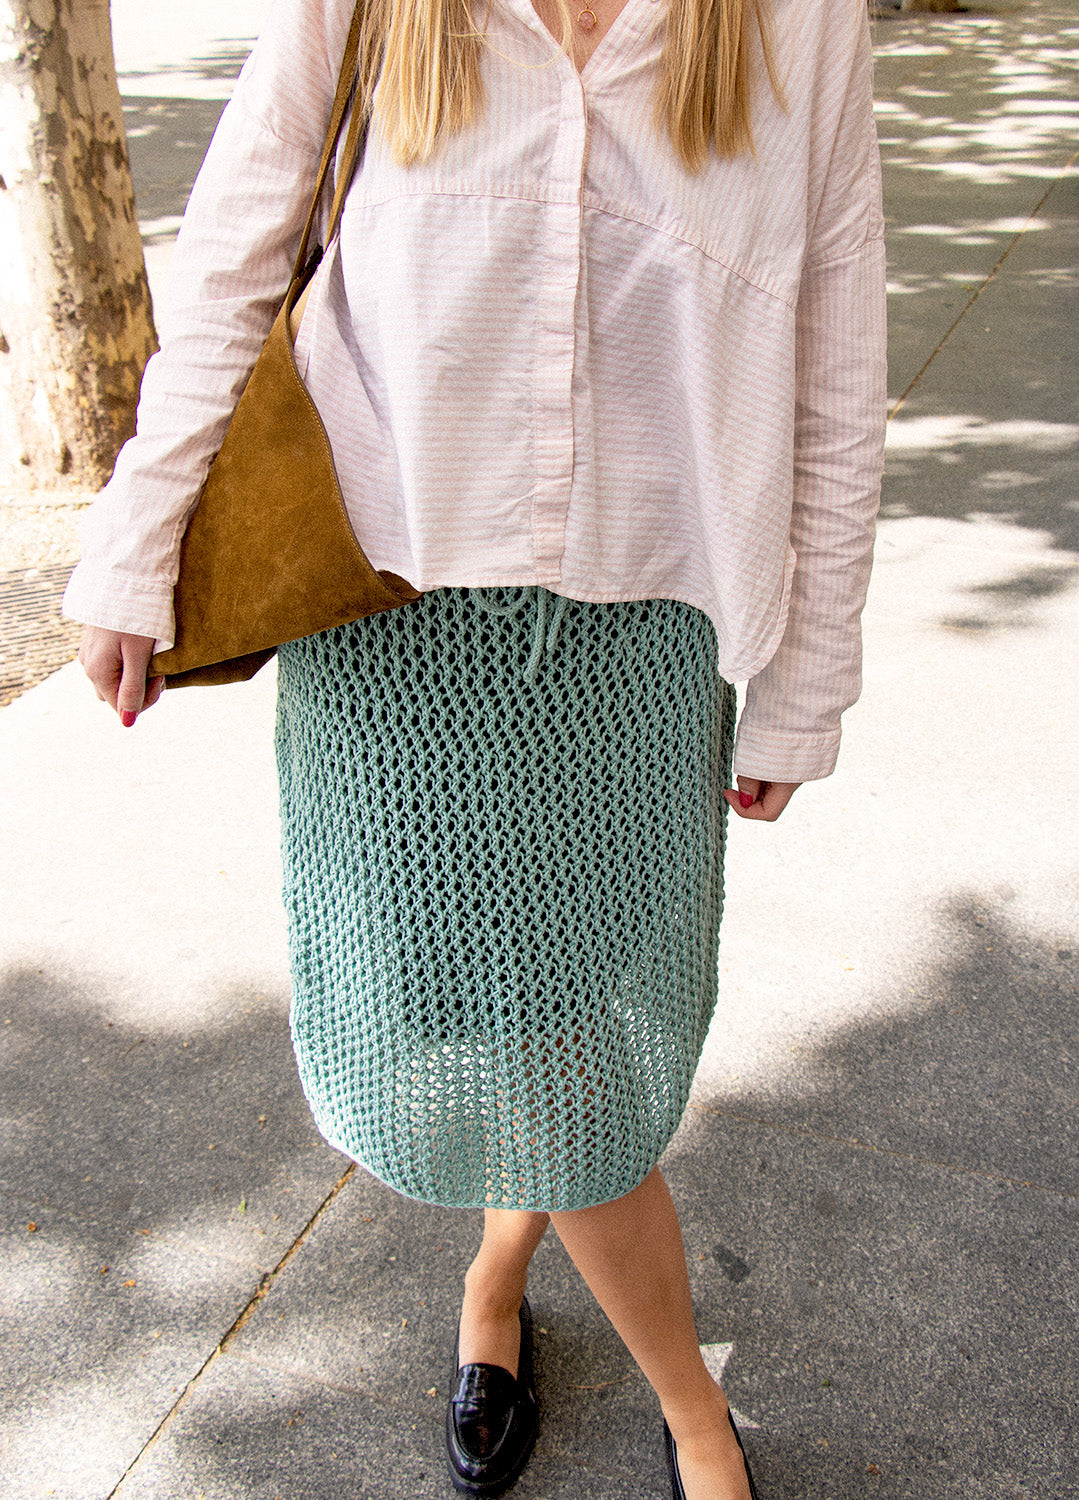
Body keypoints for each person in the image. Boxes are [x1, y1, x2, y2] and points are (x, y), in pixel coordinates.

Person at [65, 0, 886, 1492]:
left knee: (574, 1027)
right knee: (492, 1025)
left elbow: (837, 344)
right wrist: (136, 539)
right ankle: (612, 1356)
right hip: (396, 610)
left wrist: (806, 676)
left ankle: (567, 1325)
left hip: (643, 625)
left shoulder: (797, 17)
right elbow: (242, 236)